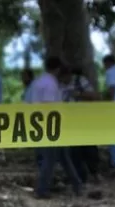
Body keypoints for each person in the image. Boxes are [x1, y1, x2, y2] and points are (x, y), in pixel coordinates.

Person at [29, 56, 82, 199]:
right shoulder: (50, 84)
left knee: (63, 157)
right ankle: (42, 189)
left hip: (41, 123)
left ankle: (77, 185)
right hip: (50, 125)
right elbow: (48, 106)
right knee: (50, 158)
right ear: (58, 68)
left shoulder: (38, 81)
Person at [57, 65, 101, 183]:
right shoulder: (59, 86)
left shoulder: (80, 81)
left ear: (69, 75)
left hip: (84, 120)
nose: (64, 80)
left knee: (90, 148)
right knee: (74, 151)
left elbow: (95, 96)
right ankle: (80, 177)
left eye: (65, 77)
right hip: (69, 122)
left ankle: (95, 173)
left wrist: (78, 95)